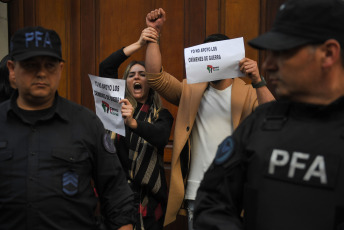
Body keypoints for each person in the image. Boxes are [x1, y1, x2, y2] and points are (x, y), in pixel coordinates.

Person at [193, 0, 344, 229]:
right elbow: (212, 202)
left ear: (328, 53)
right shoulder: (261, 122)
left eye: (283, 52)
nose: (268, 65)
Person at [144, 8, 275, 229]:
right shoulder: (190, 91)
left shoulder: (248, 92)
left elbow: (273, 116)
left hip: (237, 193)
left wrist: (258, 80)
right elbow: (155, 78)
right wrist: (153, 34)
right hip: (198, 192)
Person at [1, 26, 136, 230]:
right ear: (12, 69)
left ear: (61, 69)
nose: (41, 73)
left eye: (49, 65)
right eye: (30, 65)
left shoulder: (87, 124)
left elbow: (118, 199)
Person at [99, 27, 174, 230]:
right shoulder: (115, 106)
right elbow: (106, 66)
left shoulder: (161, 114)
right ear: (125, 82)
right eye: (131, 75)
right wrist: (140, 43)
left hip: (149, 200)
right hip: (116, 197)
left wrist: (133, 123)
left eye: (142, 74)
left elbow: (160, 137)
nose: (137, 78)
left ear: (150, 82)